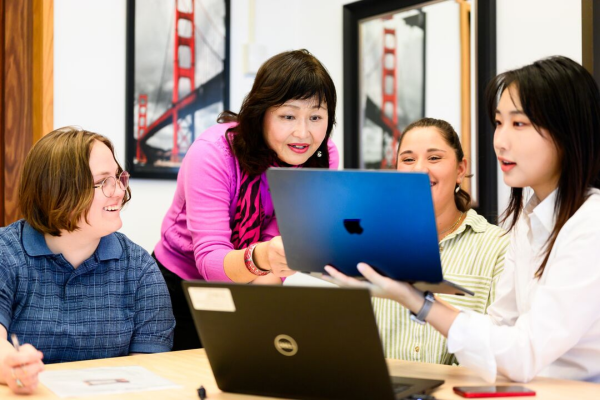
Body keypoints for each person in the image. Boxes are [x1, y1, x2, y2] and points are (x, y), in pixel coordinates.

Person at [326, 56, 600, 383]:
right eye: (498, 123)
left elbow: (523, 354)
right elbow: (498, 329)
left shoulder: (590, 225)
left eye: (519, 123)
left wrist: (419, 302)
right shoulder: (526, 223)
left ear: (567, 131)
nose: (500, 140)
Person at [153, 49, 339, 350]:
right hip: (180, 284)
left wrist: (255, 309)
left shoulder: (322, 156)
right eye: (288, 115)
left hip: (252, 282)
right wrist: (264, 258)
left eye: (316, 116)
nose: (303, 132)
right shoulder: (213, 153)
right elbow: (211, 261)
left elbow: (277, 245)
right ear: (260, 113)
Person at [0, 127, 175, 395]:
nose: (118, 191)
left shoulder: (140, 268)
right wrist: (11, 366)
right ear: (57, 191)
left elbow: (151, 371)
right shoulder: (6, 253)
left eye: (119, 178)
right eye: (104, 181)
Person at [373, 118, 508, 364]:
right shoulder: (371, 243)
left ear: (460, 169)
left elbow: (501, 347)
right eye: (408, 159)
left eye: (434, 158)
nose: (419, 169)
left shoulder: (500, 247)